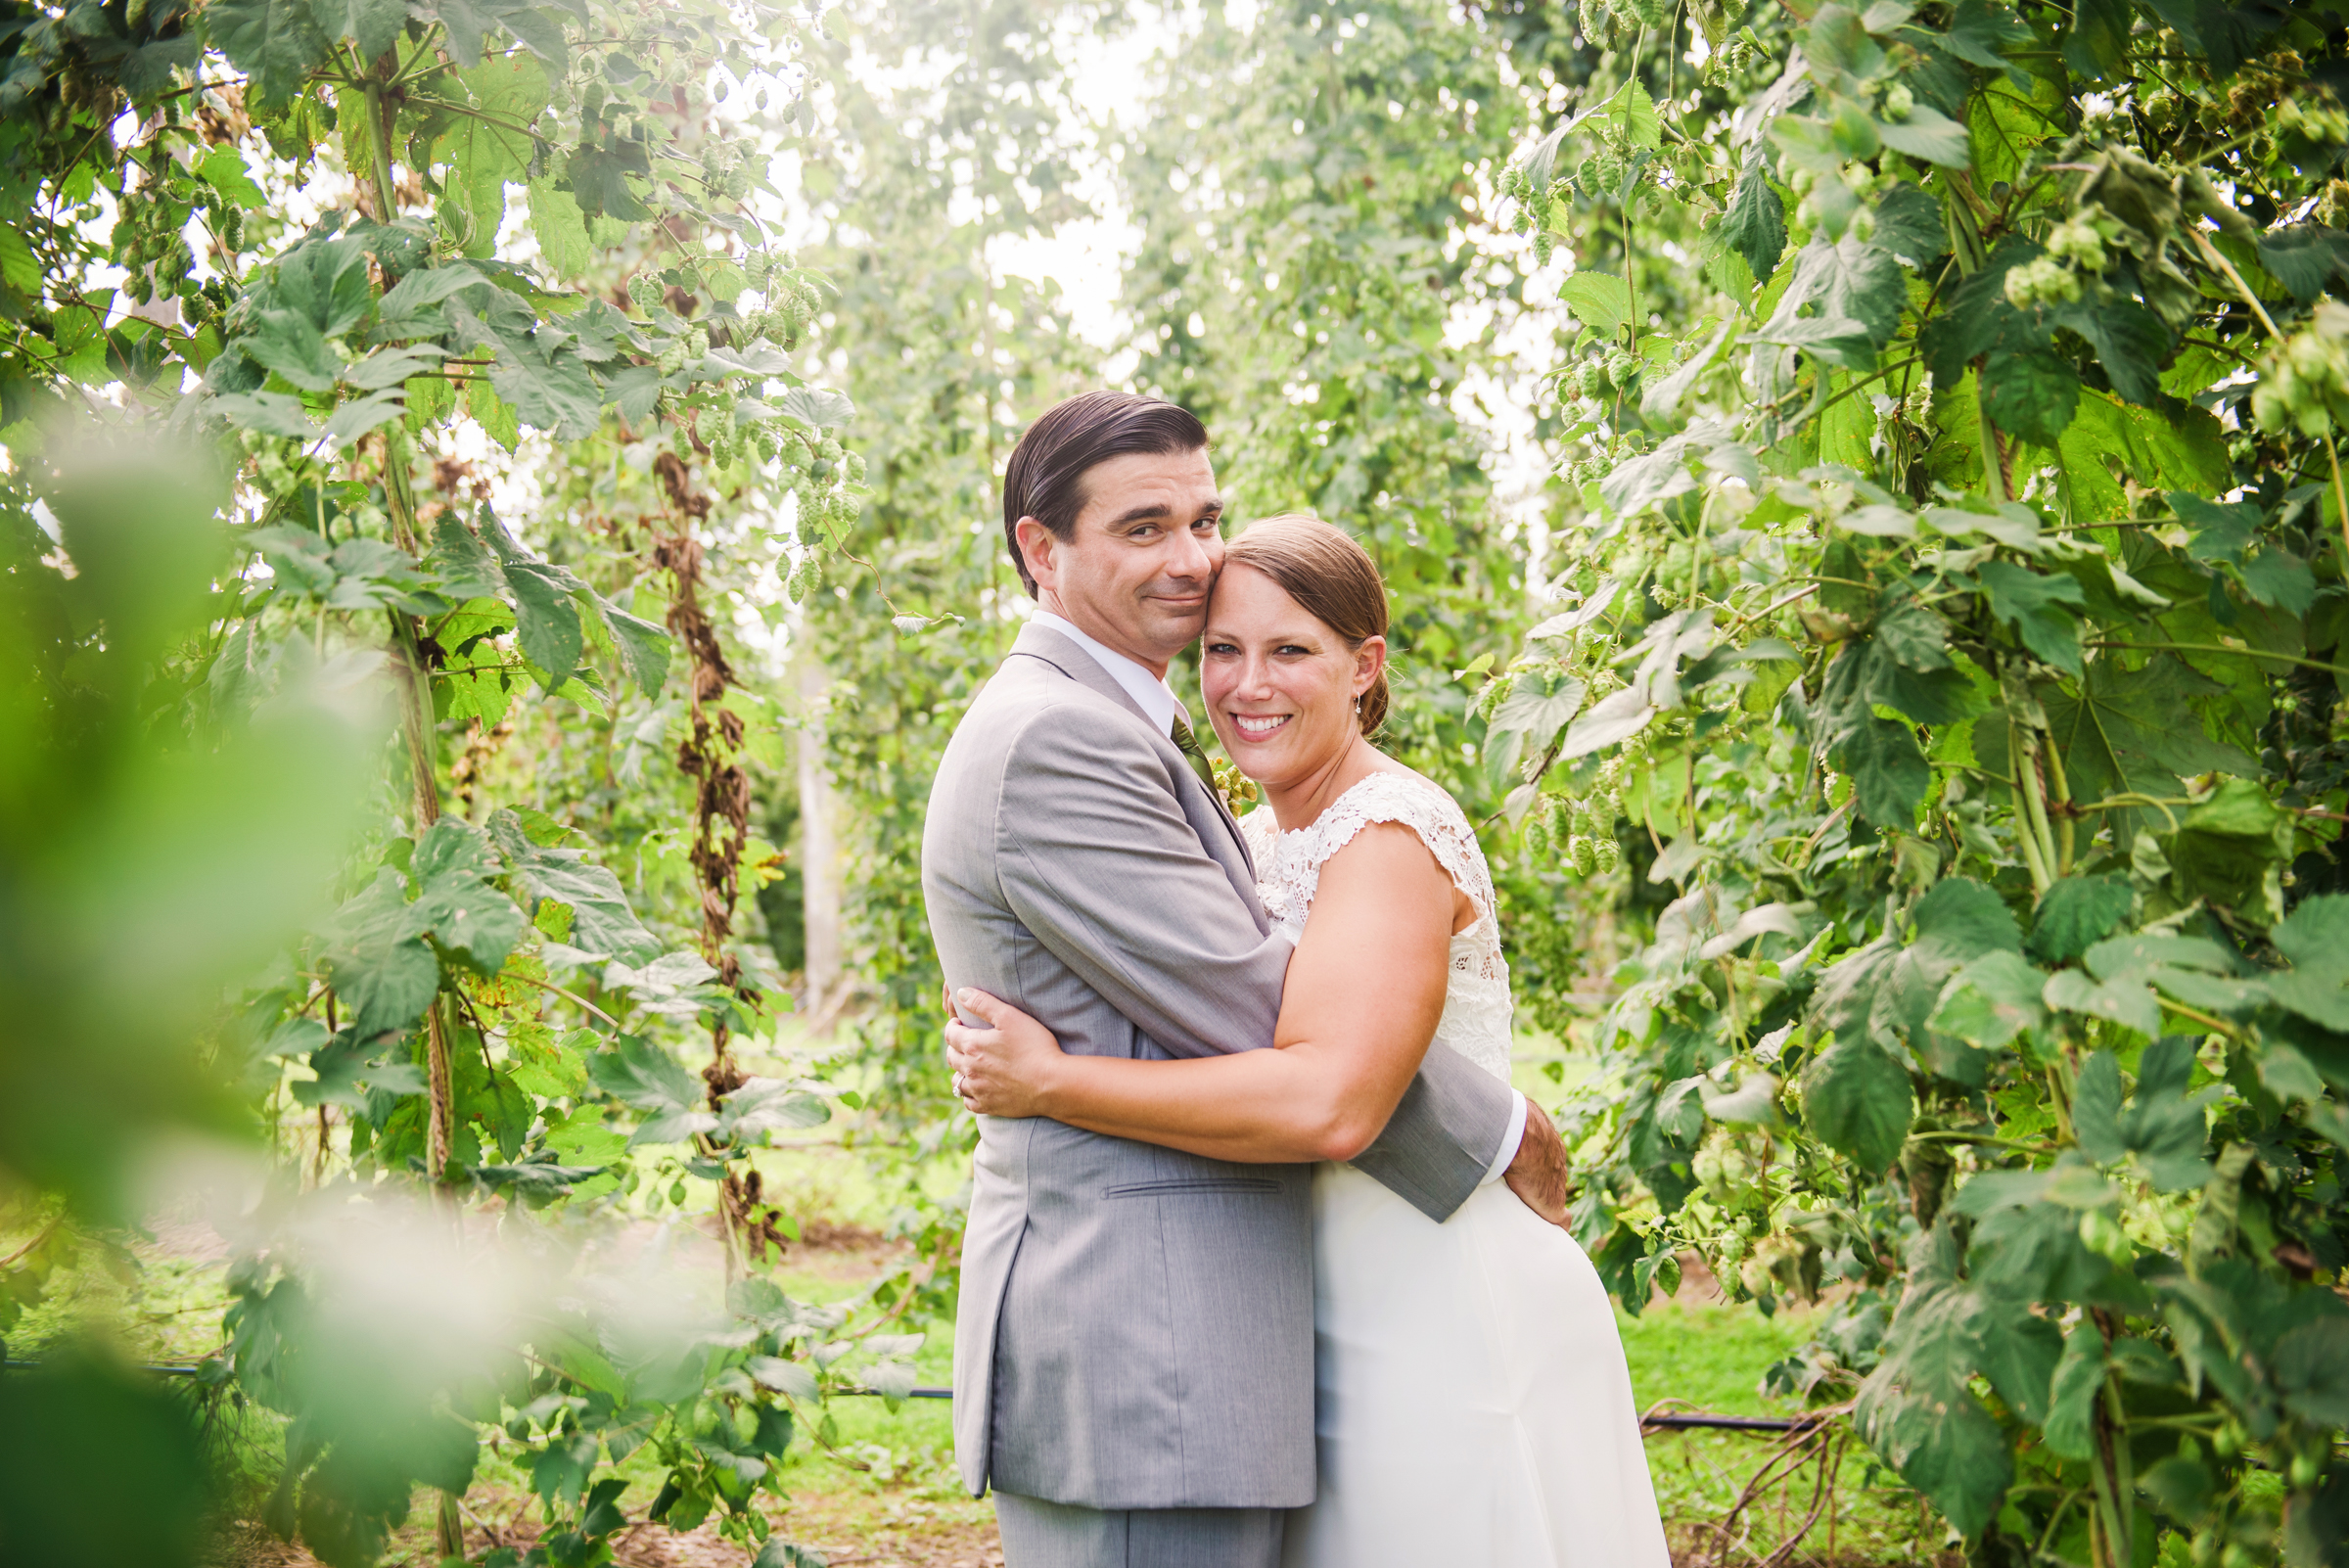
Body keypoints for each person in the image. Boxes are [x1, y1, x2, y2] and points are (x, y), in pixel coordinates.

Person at [921, 391, 1573, 1568]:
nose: (1191, 560)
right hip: (1147, 1361)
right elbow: (1283, 1023)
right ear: (1040, 547)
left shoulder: (1129, 730)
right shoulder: (1059, 740)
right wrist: (1499, 1121)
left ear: (1364, 668)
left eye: (1203, 519)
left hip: (1231, 1342)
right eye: (1144, 527)